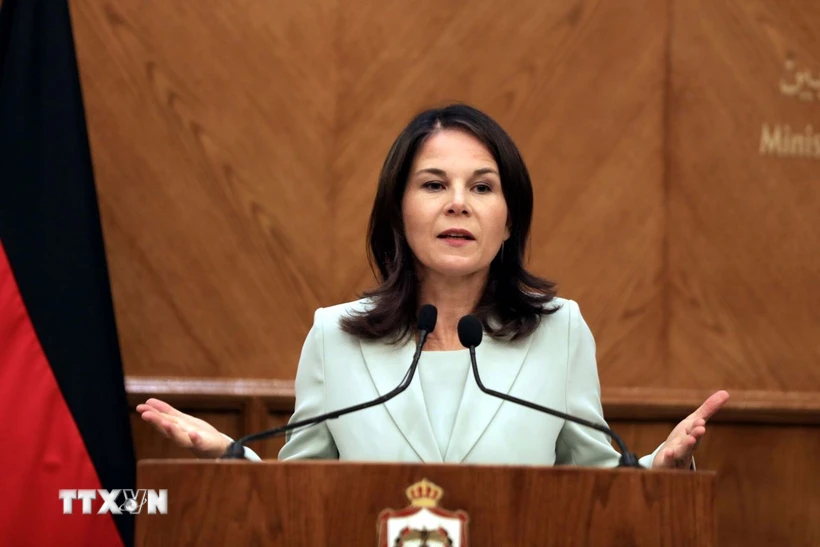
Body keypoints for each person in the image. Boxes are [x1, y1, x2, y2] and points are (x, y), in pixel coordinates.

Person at [137, 103, 729, 468]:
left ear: (509, 220)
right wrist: (233, 457)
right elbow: (303, 492)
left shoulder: (559, 331)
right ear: (398, 212)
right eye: (433, 184)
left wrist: (661, 468)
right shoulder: (335, 337)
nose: (457, 204)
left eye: (482, 187)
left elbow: (599, 483)